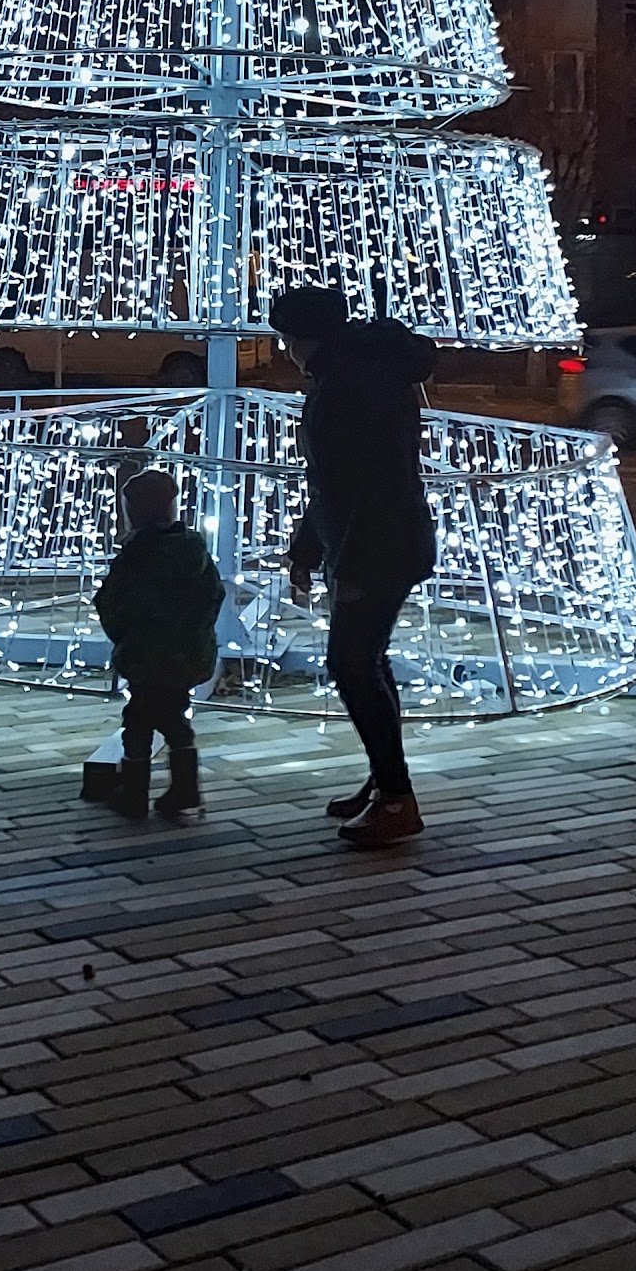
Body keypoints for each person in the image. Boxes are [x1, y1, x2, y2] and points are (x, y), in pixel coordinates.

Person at [270, 285, 436, 851]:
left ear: (305, 339)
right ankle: (385, 781)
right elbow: (333, 483)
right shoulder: (356, 373)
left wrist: (352, 566)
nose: (286, 351)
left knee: (351, 663)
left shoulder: (349, 386)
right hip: (379, 544)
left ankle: (396, 797)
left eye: (287, 339)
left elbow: (367, 483)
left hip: (377, 548)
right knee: (365, 660)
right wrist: (308, 549)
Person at [92, 468, 224, 825]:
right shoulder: (193, 550)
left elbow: (114, 602)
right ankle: (183, 788)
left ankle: (136, 792)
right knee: (172, 714)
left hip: (146, 655)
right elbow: (214, 596)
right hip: (186, 655)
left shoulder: (137, 556)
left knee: (140, 720)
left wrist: (123, 634)